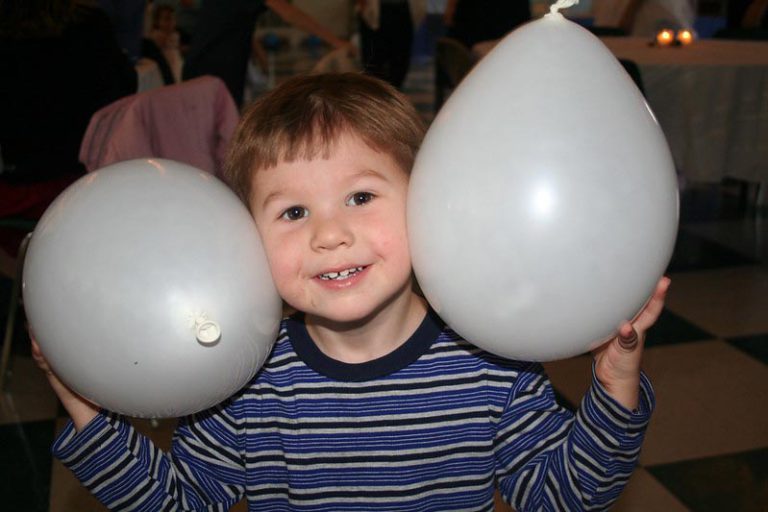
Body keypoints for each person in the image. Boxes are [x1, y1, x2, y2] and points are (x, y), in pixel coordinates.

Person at [35, 72, 668, 511]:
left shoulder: (489, 361)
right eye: (292, 212)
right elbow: (179, 501)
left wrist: (614, 386)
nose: (330, 235)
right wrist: (87, 408)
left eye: (360, 197)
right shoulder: (244, 376)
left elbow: (566, 495)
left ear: (425, 201)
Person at [0, 0, 137, 258]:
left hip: (24, 187)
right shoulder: (92, 25)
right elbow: (126, 87)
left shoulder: (7, 36)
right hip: (89, 183)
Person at [182, 0, 355, 106]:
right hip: (210, 70)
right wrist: (336, 41)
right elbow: (289, 14)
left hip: (214, 66)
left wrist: (260, 55)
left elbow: (234, 22)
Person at [356, 0, 426, 88]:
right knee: (373, 61)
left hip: (403, 9)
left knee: (400, 60)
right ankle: (375, 92)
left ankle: (393, 92)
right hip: (374, 11)